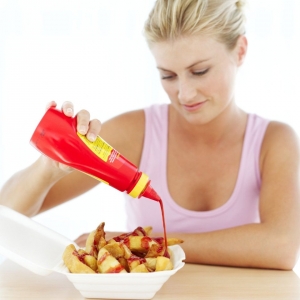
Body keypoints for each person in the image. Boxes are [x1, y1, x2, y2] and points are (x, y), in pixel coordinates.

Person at [1, 0, 300, 270]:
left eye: (200, 71)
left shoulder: (274, 141)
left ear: (240, 50)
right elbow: (6, 214)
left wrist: (144, 243)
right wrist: (47, 167)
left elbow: (282, 247)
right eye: (168, 75)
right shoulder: (138, 132)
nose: (184, 93)